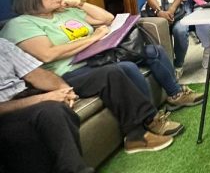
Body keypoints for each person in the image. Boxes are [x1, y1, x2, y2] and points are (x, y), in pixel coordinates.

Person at [0, 0, 208, 154]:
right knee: (121, 69)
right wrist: (94, 38)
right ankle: (144, 126)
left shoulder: (65, 12)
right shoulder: (21, 24)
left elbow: (107, 19)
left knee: (151, 51)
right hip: (68, 72)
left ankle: (172, 97)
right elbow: (48, 54)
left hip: (99, 57)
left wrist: (77, 3)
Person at [0, 38, 173, 168]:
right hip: (10, 106)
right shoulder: (20, 26)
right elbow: (48, 55)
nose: (58, 0)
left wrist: (64, 89)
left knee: (111, 72)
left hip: (31, 91)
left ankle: (137, 134)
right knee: (52, 111)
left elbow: (35, 74)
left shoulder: (3, 44)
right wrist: (44, 98)